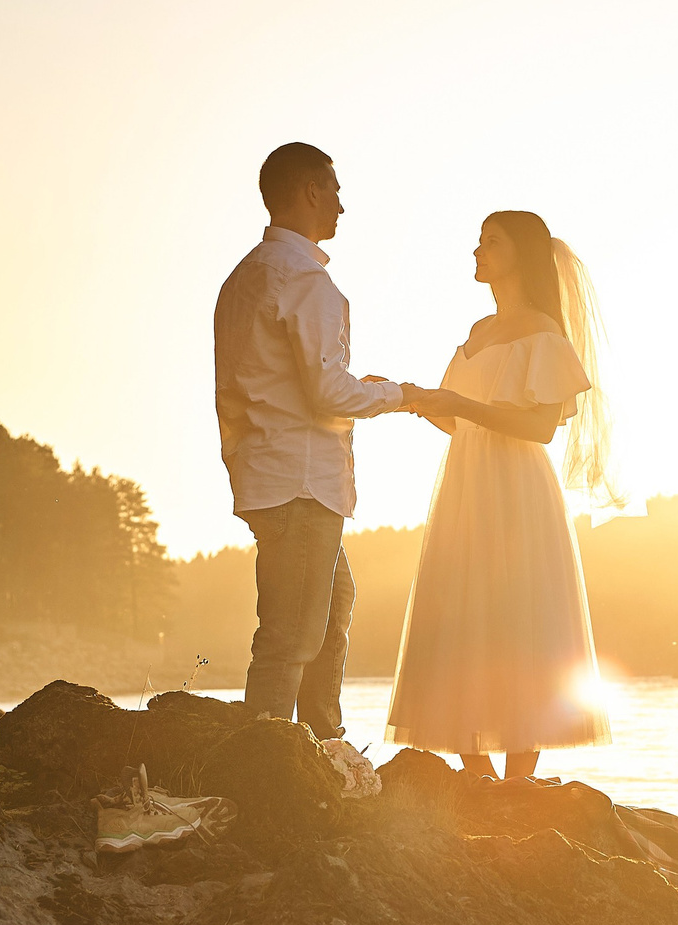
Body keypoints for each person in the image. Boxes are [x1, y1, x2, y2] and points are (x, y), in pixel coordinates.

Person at [212, 141, 431, 793]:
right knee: (293, 632)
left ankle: (323, 750)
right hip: (300, 479)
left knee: (332, 607)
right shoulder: (304, 278)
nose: (341, 201)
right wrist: (406, 395)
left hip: (268, 472)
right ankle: (268, 779)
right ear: (308, 190)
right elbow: (327, 392)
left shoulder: (245, 276)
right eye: (333, 188)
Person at [387, 209, 619, 780]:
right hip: (466, 483)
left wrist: (460, 406)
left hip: (516, 486)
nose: (478, 252)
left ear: (523, 255)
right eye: (479, 242)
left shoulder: (543, 331)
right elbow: (457, 419)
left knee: (520, 615)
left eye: (492, 242)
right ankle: (476, 771)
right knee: (458, 611)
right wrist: (412, 398)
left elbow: (541, 426)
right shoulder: (477, 334)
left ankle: (518, 779)